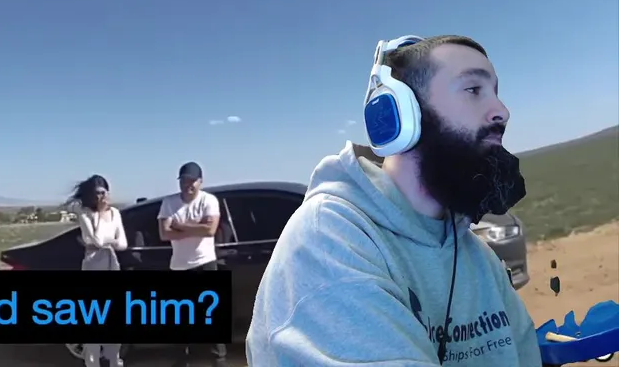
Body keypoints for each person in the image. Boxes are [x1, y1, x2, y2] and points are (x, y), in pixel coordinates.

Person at [246, 35, 540, 366]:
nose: (502, 111)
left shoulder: (475, 255)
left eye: (496, 93)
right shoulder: (329, 241)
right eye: (473, 90)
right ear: (399, 113)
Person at [158, 162, 227, 367]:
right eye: (184, 180)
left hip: (205, 262)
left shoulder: (209, 200)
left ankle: (218, 359)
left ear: (200, 181)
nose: (188, 184)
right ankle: (181, 360)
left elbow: (210, 230)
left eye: (192, 181)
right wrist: (197, 227)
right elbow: (164, 233)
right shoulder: (169, 202)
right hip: (179, 265)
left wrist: (179, 226)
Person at [72, 175, 126, 367]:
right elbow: (97, 240)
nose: (100, 197)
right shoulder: (85, 214)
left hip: (111, 265)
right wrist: (101, 216)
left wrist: (106, 241)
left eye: (103, 193)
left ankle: (114, 360)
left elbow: (122, 244)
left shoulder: (115, 213)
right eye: (96, 194)